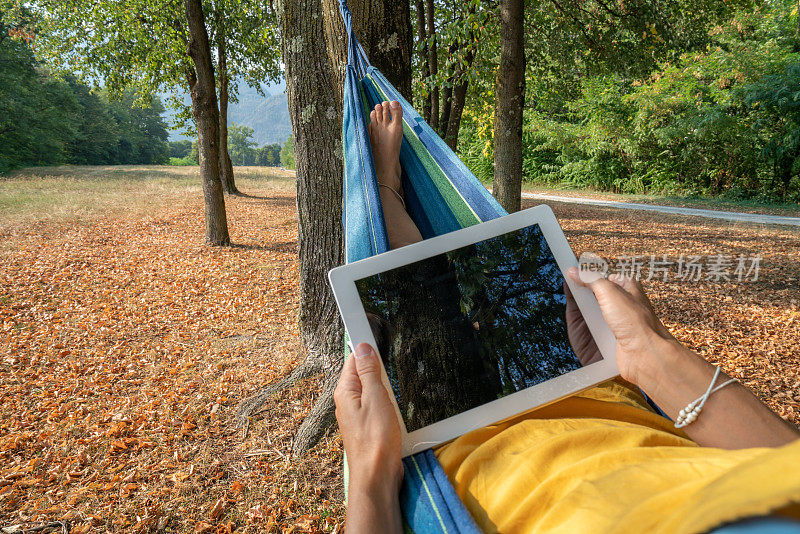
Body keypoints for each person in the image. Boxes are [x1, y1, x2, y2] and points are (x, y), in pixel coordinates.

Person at [334, 101, 800, 533]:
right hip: (613, 393)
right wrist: (654, 355)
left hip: (468, 448)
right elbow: (786, 468)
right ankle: (390, 193)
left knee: (417, 287)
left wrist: (371, 470)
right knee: (422, 286)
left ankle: (388, 190)